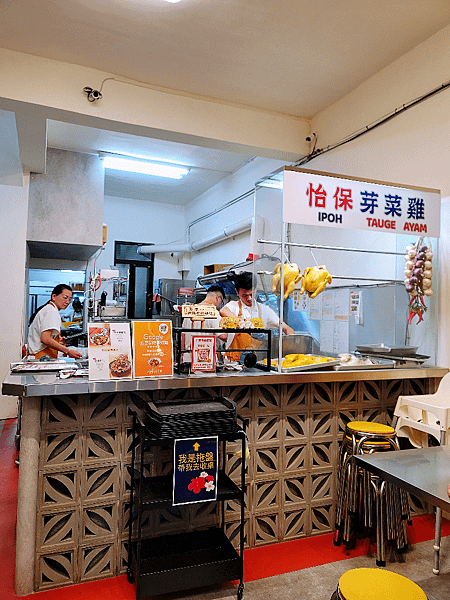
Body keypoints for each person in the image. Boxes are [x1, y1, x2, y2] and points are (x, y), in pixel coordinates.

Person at [220, 271, 294, 359]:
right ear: (237, 292)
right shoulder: (233, 306)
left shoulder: (264, 310)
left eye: (252, 294)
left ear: (255, 289)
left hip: (258, 360)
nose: (249, 298)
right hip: (235, 362)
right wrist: (243, 323)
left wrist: (290, 347)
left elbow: (287, 328)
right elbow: (223, 311)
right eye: (244, 295)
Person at [27, 284, 82, 359]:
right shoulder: (52, 311)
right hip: (41, 357)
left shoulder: (49, 309)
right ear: (54, 297)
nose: (67, 302)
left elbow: (45, 337)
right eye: (65, 297)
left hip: (39, 356)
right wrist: (68, 351)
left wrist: (56, 342)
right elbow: (45, 339)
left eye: (69, 299)